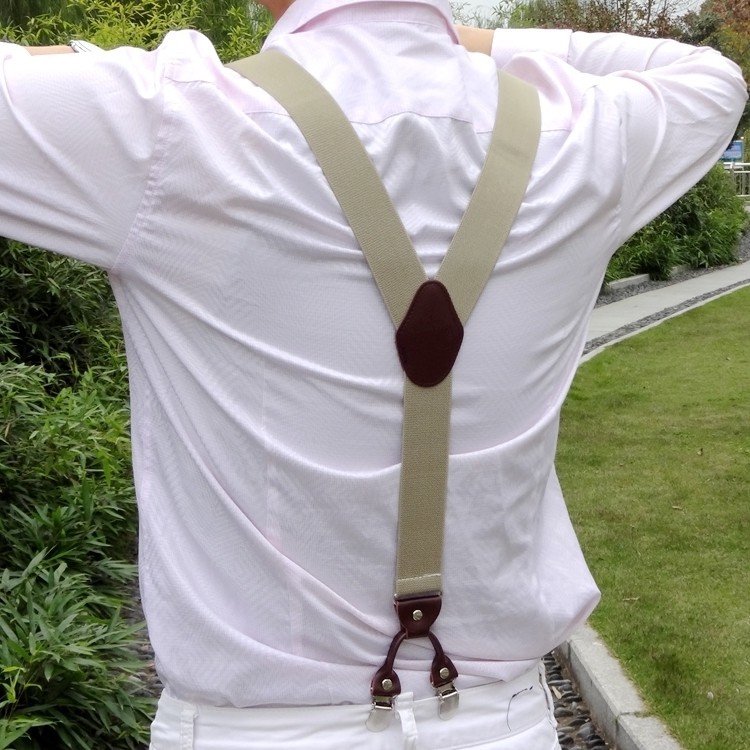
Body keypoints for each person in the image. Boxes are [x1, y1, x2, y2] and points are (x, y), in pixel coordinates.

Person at [1, 0, 746, 747]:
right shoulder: (586, 135)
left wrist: (80, 61)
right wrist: (471, 38)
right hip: (501, 724)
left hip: (258, 733)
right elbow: (711, 78)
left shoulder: (172, 120)